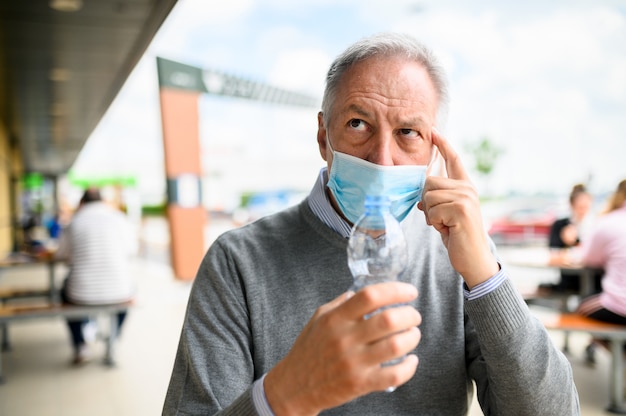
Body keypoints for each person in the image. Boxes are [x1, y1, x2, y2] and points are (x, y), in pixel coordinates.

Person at [163, 32, 579, 415]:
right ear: (324, 137)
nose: (382, 158)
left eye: (408, 132)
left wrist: (486, 277)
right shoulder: (238, 263)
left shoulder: (459, 258)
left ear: (434, 151)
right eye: (358, 124)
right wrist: (283, 395)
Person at [55, 187, 137, 364]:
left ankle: (80, 346)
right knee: (130, 291)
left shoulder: (73, 222)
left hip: (81, 294)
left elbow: (61, 255)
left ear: (82, 203)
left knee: (64, 292)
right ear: (103, 201)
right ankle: (113, 340)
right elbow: (131, 250)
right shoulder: (119, 219)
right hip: (119, 292)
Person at [576, 179, 626, 362]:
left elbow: (589, 258)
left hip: (619, 307)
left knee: (579, 307)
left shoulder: (608, 222)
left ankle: (621, 359)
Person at [544, 183, 596, 293]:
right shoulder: (560, 225)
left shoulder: (597, 225)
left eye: (586, 207)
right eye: (580, 207)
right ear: (572, 205)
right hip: (569, 280)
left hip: (595, 281)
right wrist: (568, 242)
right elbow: (553, 257)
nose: (583, 211)